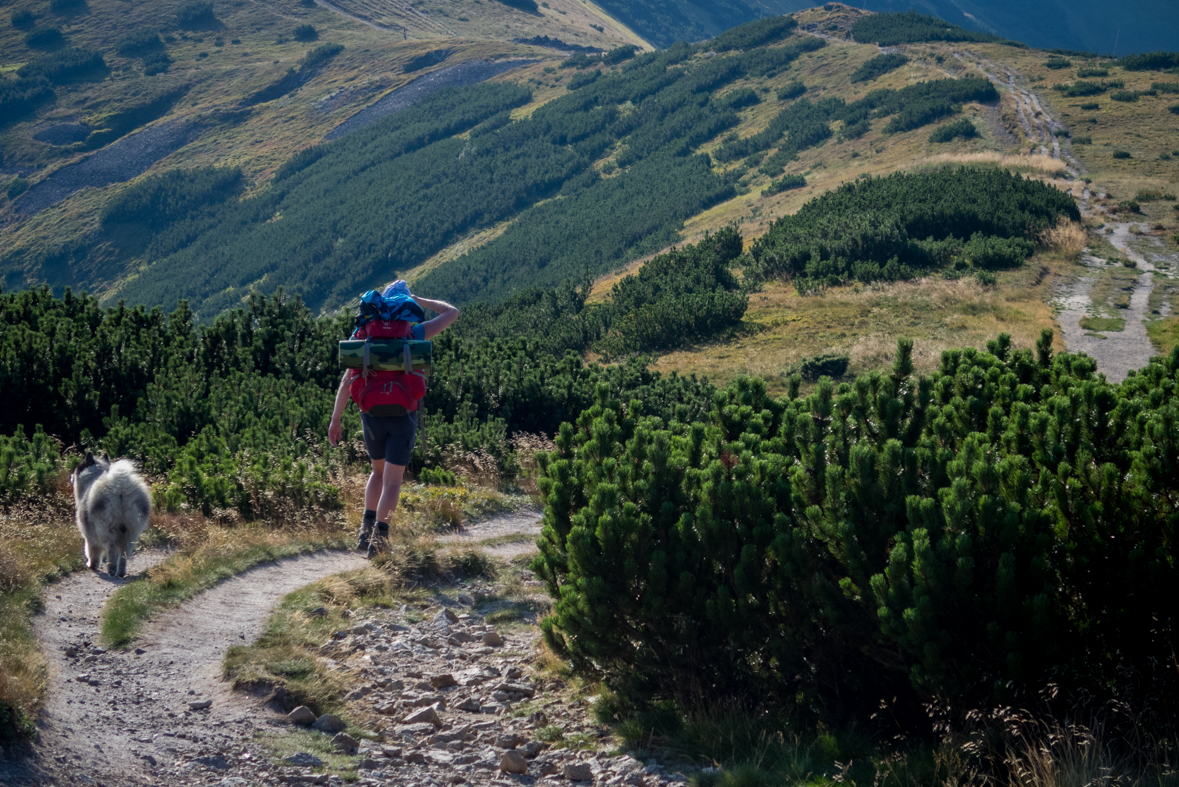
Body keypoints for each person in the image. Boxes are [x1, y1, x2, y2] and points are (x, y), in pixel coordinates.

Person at [328, 282, 459, 557]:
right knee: (393, 482)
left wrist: (336, 419)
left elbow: (346, 380)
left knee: (377, 473)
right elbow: (452, 312)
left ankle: (365, 534)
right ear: (404, 305)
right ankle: (380, 541)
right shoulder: (415, 331)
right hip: (404, 415)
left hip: (371, 416)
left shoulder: (363, 333)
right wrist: (420, 299)